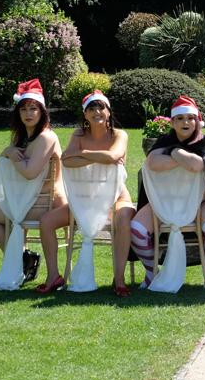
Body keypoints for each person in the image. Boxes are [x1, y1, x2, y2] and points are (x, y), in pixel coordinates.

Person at [34, 91, 136, 296]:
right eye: (92, 108)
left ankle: (120, 280)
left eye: (101, 108)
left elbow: (113, 155)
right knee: (46, 220)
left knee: (124, 219)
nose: (97, 112)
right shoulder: (79, 135)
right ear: (85, 114)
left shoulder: (119, 135)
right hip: (84, 201)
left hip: (116, 200)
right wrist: (100, 157)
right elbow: (67, 161)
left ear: (108, 112)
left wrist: (82, 153)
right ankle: (54, 276)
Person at [130, 96, 205, 291]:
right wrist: (180, 152)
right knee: (136, 229)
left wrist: (173, 151)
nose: (186, 122)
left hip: (201, 203)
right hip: (165, 203)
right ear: (173, 122)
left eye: (190, 118)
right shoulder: (163, 141)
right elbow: (152, 163)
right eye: (181, 118)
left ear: (197, 121)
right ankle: (152, 273)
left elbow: (195, 165)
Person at [0, 79, 66, 286]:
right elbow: (7, 162)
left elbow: (29, 173)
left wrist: (10, 155)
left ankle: (21, 260)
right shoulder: (22, 138)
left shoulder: (47, 137)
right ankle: (22, 257)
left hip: (49, 203)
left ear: (42, 111)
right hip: (29, 200)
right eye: (23, 109)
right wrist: (8, 151)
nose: (28, 114)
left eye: (33, 109)